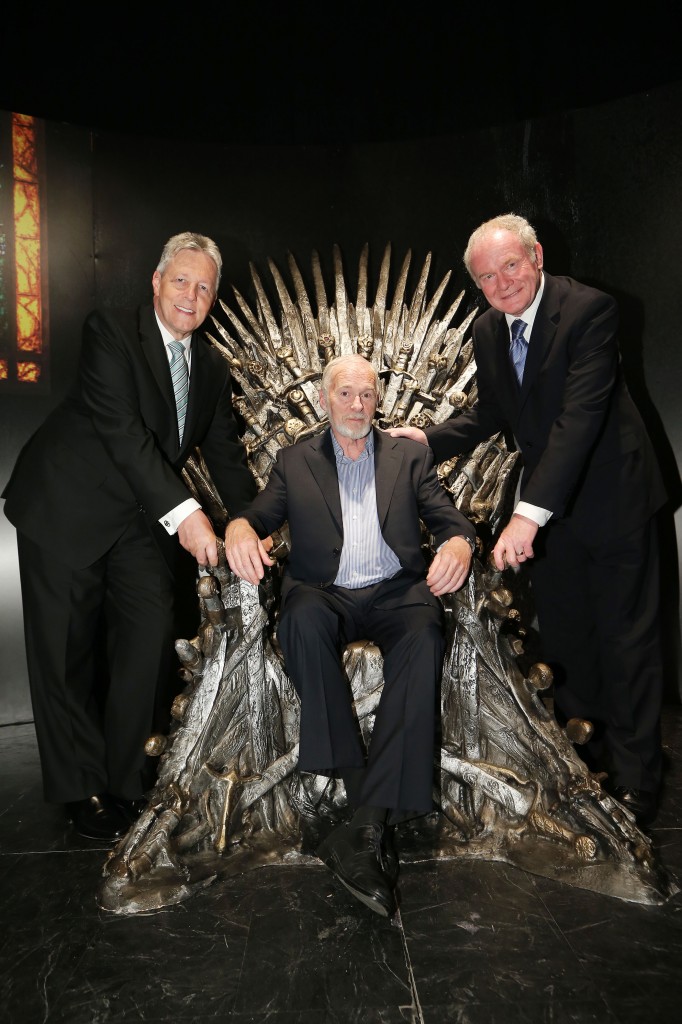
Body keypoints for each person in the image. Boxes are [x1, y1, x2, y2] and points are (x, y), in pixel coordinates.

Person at [389, 213, 667, 828]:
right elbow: (492, 412)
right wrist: (424, 441)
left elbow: (578, 421)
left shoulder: (590, 310)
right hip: (554, 512)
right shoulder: (489, 330)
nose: (502, 282)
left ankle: (638, 779)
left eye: (510, 265)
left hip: (613, 500)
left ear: (536, 256)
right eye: (487, 276)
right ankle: (585, 769)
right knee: (568, 642)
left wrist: (525, 517)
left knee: (626, 642)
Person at [2, 231, 257, 843]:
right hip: (65, 507)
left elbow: (224, 454)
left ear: (214, 297)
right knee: (65, 656)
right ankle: (80, 789)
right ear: (155, 282)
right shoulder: (110, 331)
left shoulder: (213, 367)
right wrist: (189, 516)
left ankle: (126, 780)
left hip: (138, 517)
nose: (190, 296)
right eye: (180, 281)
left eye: (203, 287)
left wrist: (248, 518)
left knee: (149, 634)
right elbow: (123, 432)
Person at [224, 353, 475, 917]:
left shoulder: (409, 456)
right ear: (324, 399)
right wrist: (240, 527)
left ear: (378, 401)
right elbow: (260, 513)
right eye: (344, 394)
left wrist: (459, 543)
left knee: (424, 635)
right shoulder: (294, 461)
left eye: (366, 394)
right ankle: (373, 810)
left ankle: (359, 830)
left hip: (395, 591)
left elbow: (448, 519)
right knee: (301, 622)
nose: (356, 405)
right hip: (324, 591)